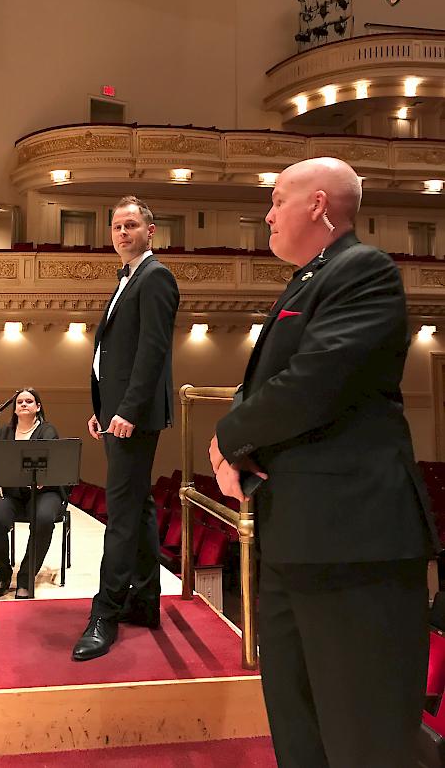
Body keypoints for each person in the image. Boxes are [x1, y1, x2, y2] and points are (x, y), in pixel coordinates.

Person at [209, 157, 438, 768]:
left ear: (317, 205)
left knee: (363, 737)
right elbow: (267, 387)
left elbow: (315, 382)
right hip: (296, 541)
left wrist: (228, 437)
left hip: (353, 543)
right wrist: (239, 440)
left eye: (277, 200)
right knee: (299, 729)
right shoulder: (306, 279)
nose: (267, 215)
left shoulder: (364, 270)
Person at [72, 195, 179, 661]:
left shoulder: (156, 278)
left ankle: (106, 613)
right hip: (119, 414)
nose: (122, 233)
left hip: (133, 418)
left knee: (119, 515)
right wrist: (105, 407)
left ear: (150, 231)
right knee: (138, 509)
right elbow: (114, 356)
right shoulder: (128, 278)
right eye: (117, 226)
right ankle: (145, 600)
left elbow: (152, 353)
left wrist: (130, 410)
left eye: (131, 225)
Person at [0, 388, 64, 598]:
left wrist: (44, 479)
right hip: (11, 492)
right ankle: (2, 574)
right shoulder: (3, 433)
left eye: (29, 401)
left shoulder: (48, 431)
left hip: (44, 492)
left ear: (38, 407)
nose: (24, 404)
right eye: (20, 401)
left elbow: (55, 464)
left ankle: (26, 577)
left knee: (44, 519)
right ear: (15, 408)